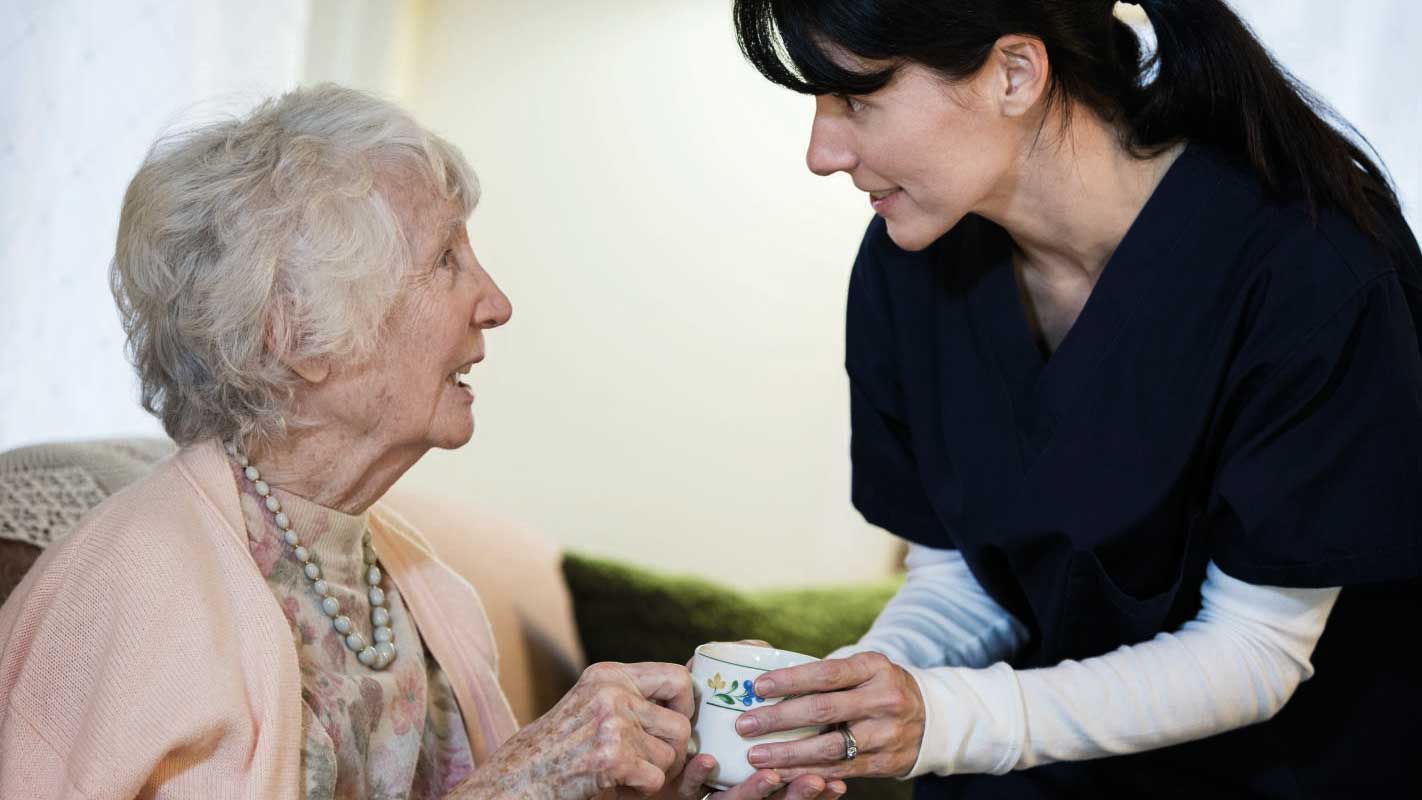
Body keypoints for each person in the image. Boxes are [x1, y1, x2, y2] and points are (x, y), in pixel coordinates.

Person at [0, 84, 841, 800]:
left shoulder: (425, 591)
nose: (496, 301)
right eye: (445, 259)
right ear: (299, 331)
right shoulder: (126, 594)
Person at [725, 0, 1422, 796]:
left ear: (1014, 74)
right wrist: (842, 705)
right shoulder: (909, 261)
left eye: (854, 99)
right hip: (1034, 768)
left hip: (1292, 768)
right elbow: (963, 578)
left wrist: (946, 717)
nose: (821, 152)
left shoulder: (1310, 273)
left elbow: (1256, 649)